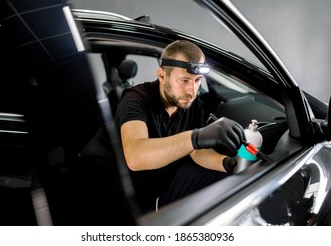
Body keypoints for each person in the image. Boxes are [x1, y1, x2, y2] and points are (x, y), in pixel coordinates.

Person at [81, 40, 245, 216]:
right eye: (184, 80)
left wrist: (229, 164)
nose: (192, 90)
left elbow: (195, 151)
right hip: (113, 197)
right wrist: (197, 136)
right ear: (162, 76)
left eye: (198, 81)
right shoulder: (135, 100)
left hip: (152, 187)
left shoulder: (191, 102)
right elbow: (135, 157)